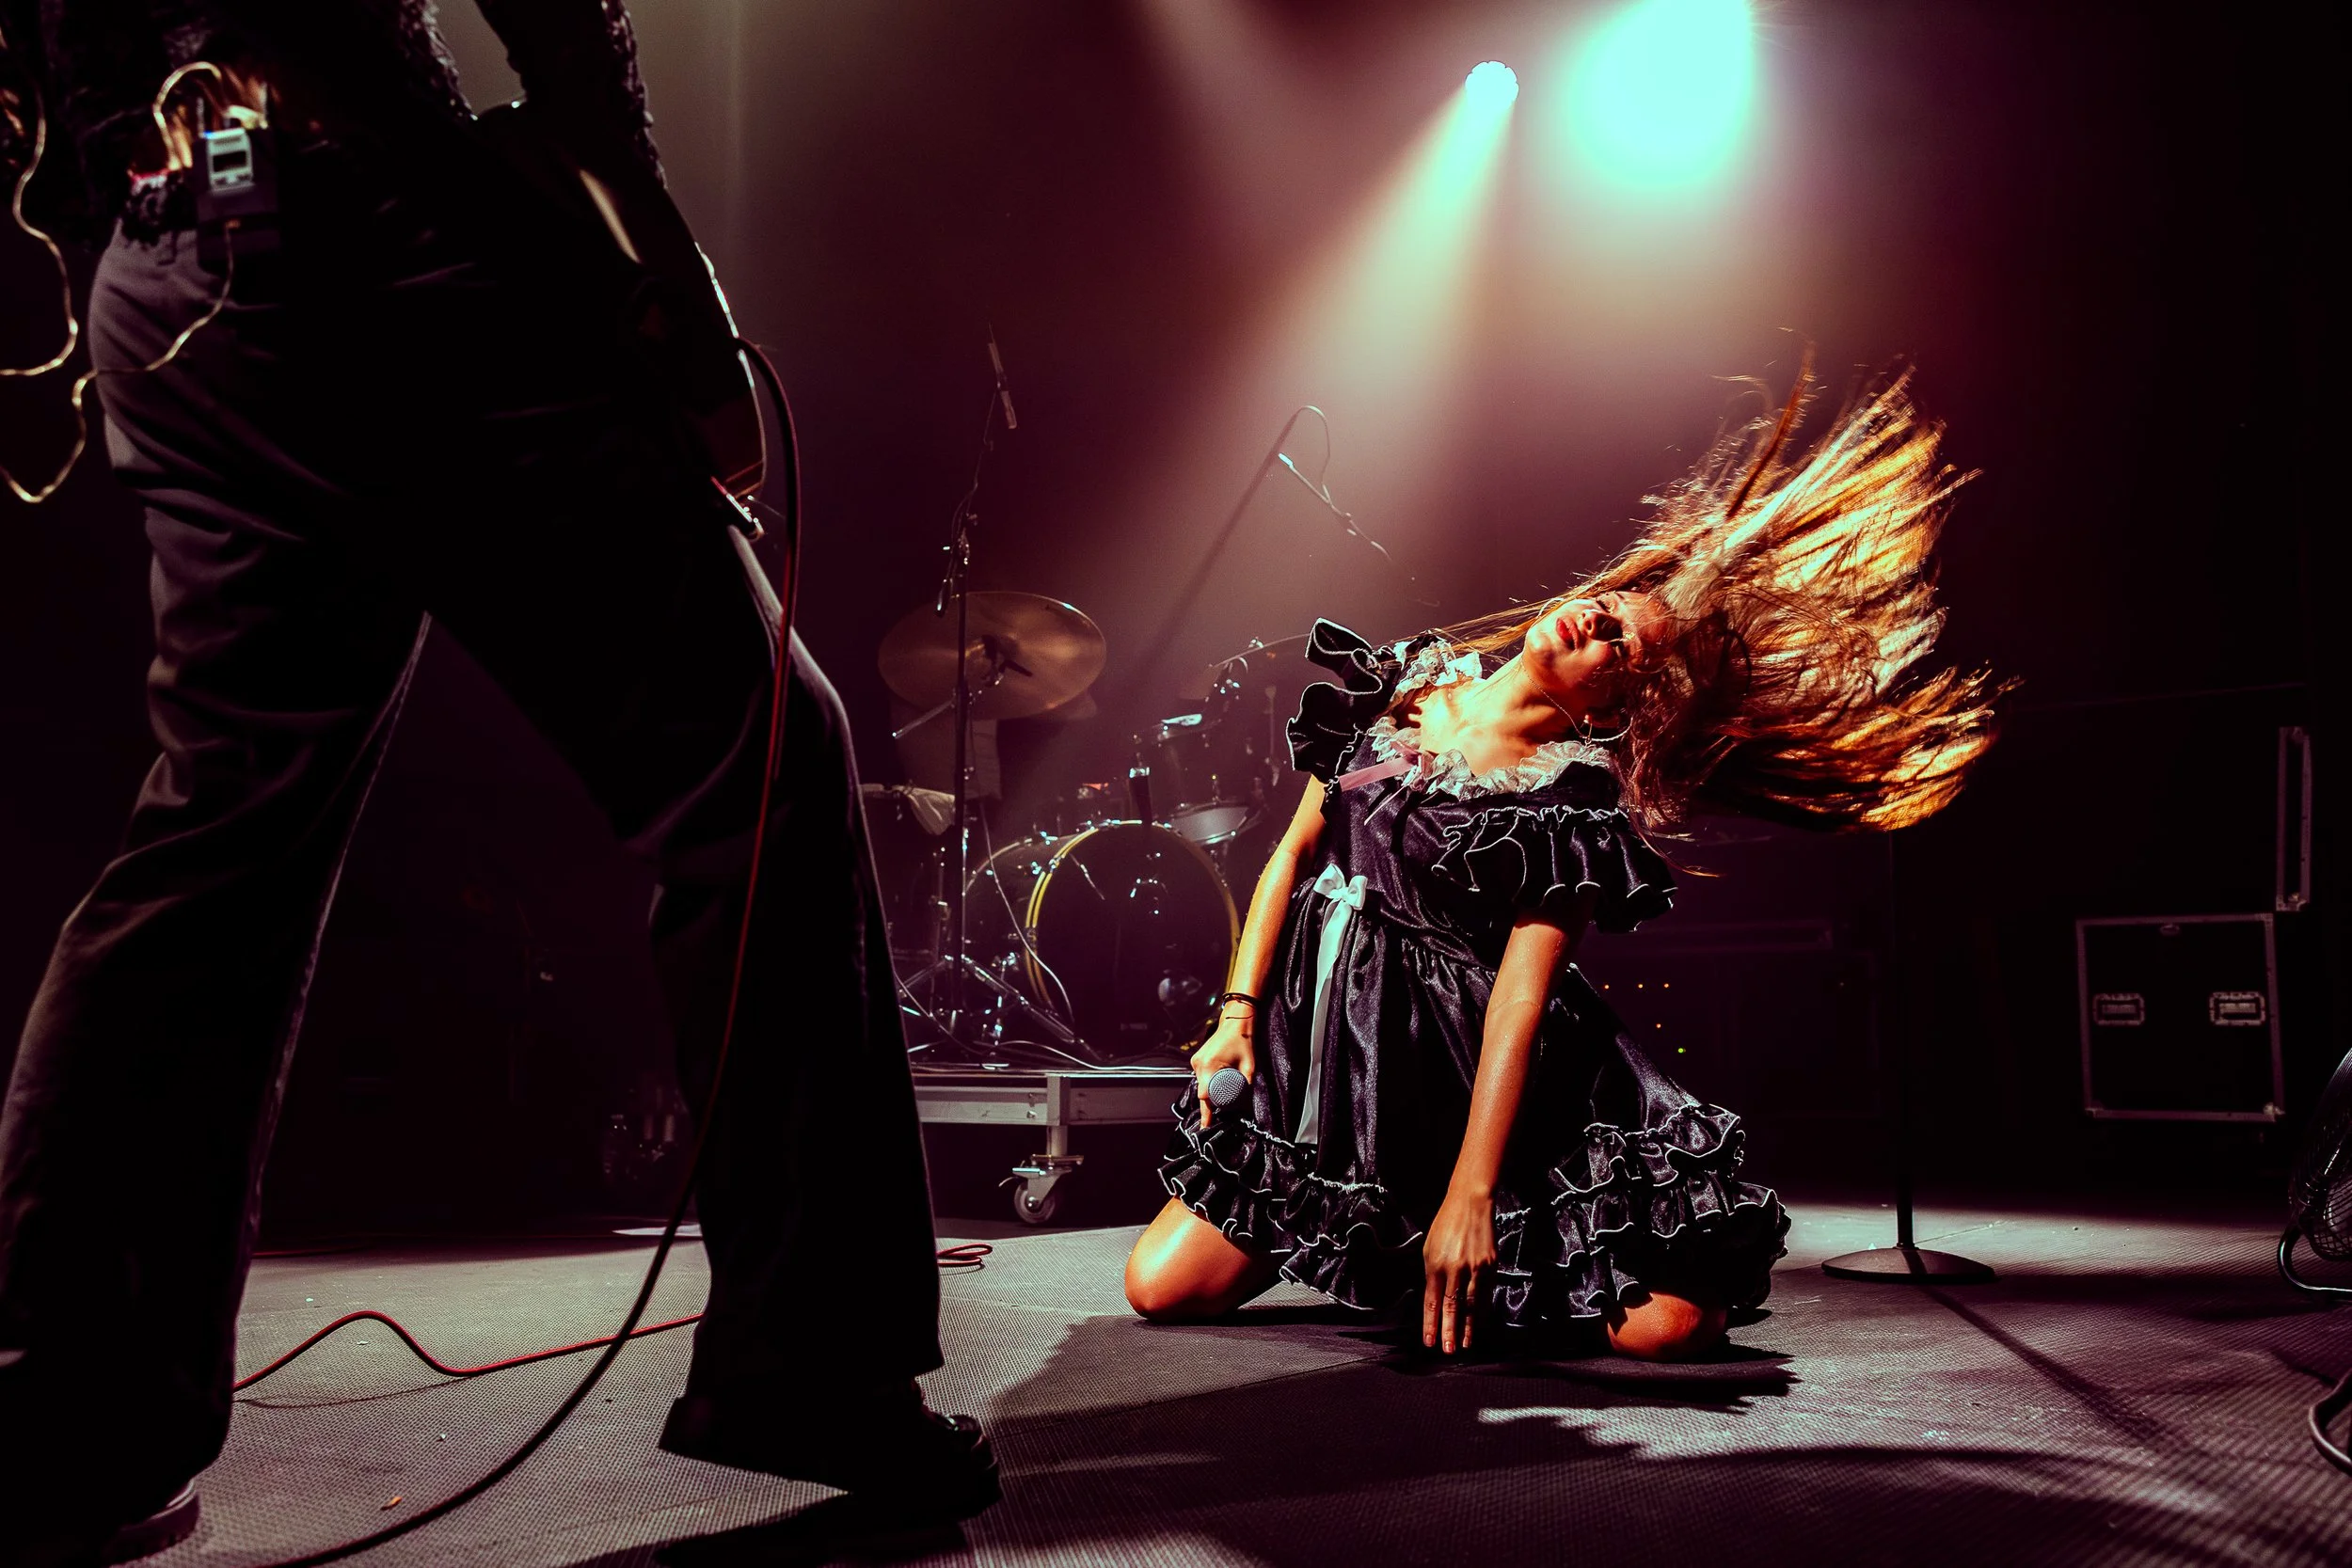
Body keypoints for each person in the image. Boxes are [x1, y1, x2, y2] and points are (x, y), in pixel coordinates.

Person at [0, 6, 992, 1563]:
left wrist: (124, 213)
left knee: (220, 840)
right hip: (358, 207)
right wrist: (654, 259)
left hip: (173, 245)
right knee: (763, 752)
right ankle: (813, 1359)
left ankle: (69, 1411)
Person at [1125, 370, 2003, 1361]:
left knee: (1667, 1329)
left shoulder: (1573, 799)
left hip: (1484, 1076)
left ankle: (1466, 1232)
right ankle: (1403, 1240)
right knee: (1161, 1289)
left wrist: (1472, 1193)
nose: (1597, 618)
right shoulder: (1397, 682)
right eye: (1613, 604)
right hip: (1339, 1058)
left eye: (1618, 644)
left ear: (1614, 707)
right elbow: (1291, 853)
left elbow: (1517, 999)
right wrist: (1235, 1020)